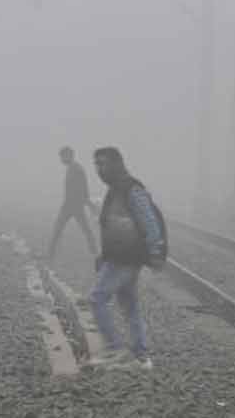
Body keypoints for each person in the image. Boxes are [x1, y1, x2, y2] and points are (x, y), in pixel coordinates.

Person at [88, 146, 165, 370]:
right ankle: (141, 357)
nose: (99, 170)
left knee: (97, 298)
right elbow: (112, 226)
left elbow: (150, 223)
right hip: (118, 256)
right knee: (129, 304)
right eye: (96, 165)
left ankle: (114, 349)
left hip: (127, 257)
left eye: (102, 164)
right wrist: (104, 255)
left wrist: (156, 252)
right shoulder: (115, 189)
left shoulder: (132, 189)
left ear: (116, 163)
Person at [47, 146, 97, 260]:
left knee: (59, 229)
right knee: (83, 229)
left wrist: (88, 203)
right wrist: (88, 203)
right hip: (71, 205)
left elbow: (84, 188)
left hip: (73, 205)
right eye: (61, 157)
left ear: (69, 156)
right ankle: (94, 251)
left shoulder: (76, 169)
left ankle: (50, 254)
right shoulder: (72, 168)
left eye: (62, 156)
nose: (61, 159)